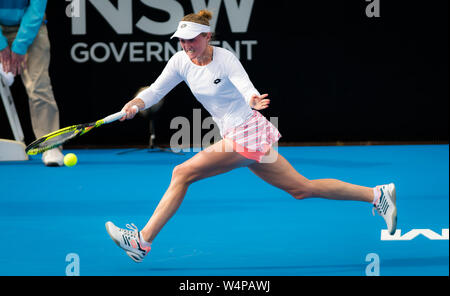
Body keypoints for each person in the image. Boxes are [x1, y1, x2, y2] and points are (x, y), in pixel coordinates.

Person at [105, 10, 397, 263]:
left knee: (182, 173)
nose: (186, 45)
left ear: (207, 36)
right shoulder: (180, 61)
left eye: (192, 39)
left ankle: (141, 242)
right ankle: (376, 195)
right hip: (243, 136)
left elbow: (246, 87)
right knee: (301, 188)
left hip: (247, 132)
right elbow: (156, 90)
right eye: (182, 40)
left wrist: (253, 99)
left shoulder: (225, 59)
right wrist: (135, 104)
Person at [0, 0, 63, 166]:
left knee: (38, 86)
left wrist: (19, 46)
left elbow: (36, 9)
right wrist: (1, 45)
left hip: (31, 27)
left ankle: (50, 145)